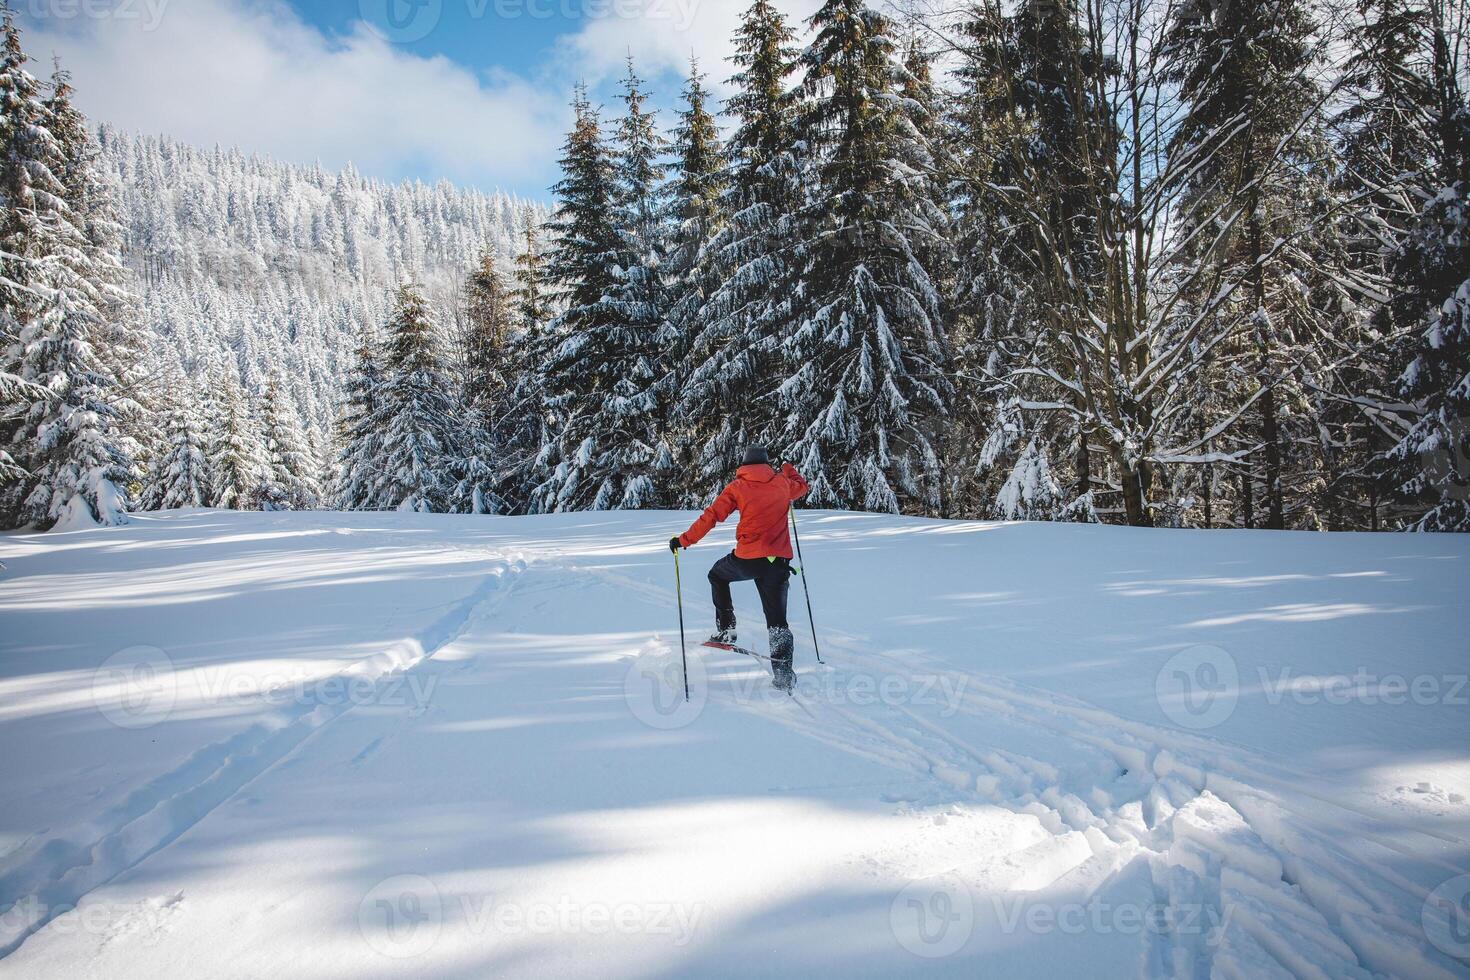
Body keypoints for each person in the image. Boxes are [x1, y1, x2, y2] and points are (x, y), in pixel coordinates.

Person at [669, 446, 809, 689]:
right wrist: (787, 468)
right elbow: (801, 486)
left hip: (747, 559)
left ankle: (726, 631)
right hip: (777, 563)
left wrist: (683, 540)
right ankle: (784, 675)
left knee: (717, 575)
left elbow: (711, 516)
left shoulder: (737, 487)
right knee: (777, 622)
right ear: (767, 464)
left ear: (744, 465)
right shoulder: (782, 483)